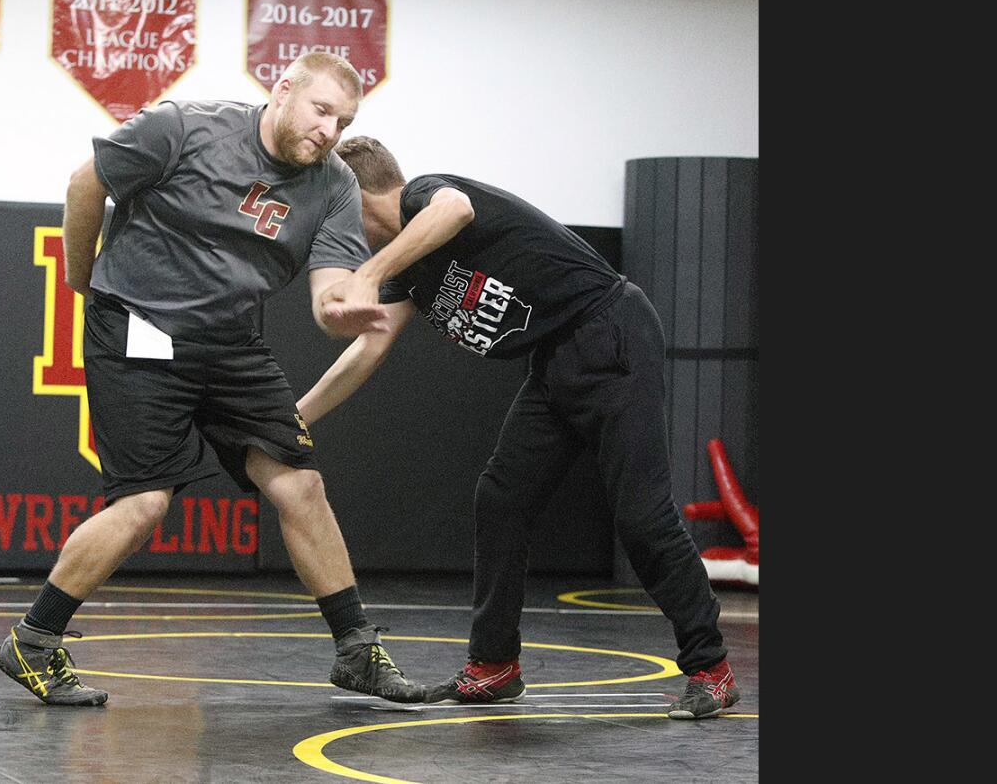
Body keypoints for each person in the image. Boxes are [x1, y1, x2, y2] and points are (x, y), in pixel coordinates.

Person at [0, 54, 425, 707]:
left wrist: (341, 311)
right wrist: (84, 281)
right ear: (283, 91)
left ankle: (357, 652)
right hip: (137, 329)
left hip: (230, 341)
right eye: (321, 110)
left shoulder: (333, 184)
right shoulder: (184, 128)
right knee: (143, 506)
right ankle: (33, 641)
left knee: (300, 484)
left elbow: (330, 289)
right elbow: (88, 183)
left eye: (345, 120)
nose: (330, 130)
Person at [298, 136, 741, 719]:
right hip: (556, 359)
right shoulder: (410, 276)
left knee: (642, 515)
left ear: (353, 197)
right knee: (501, 499)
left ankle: (712, 669)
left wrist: (368, 272)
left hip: (609, 330)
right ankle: (494, 666)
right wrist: (296, 417)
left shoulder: (427, 196)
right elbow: (367, 349)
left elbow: (455, 211)